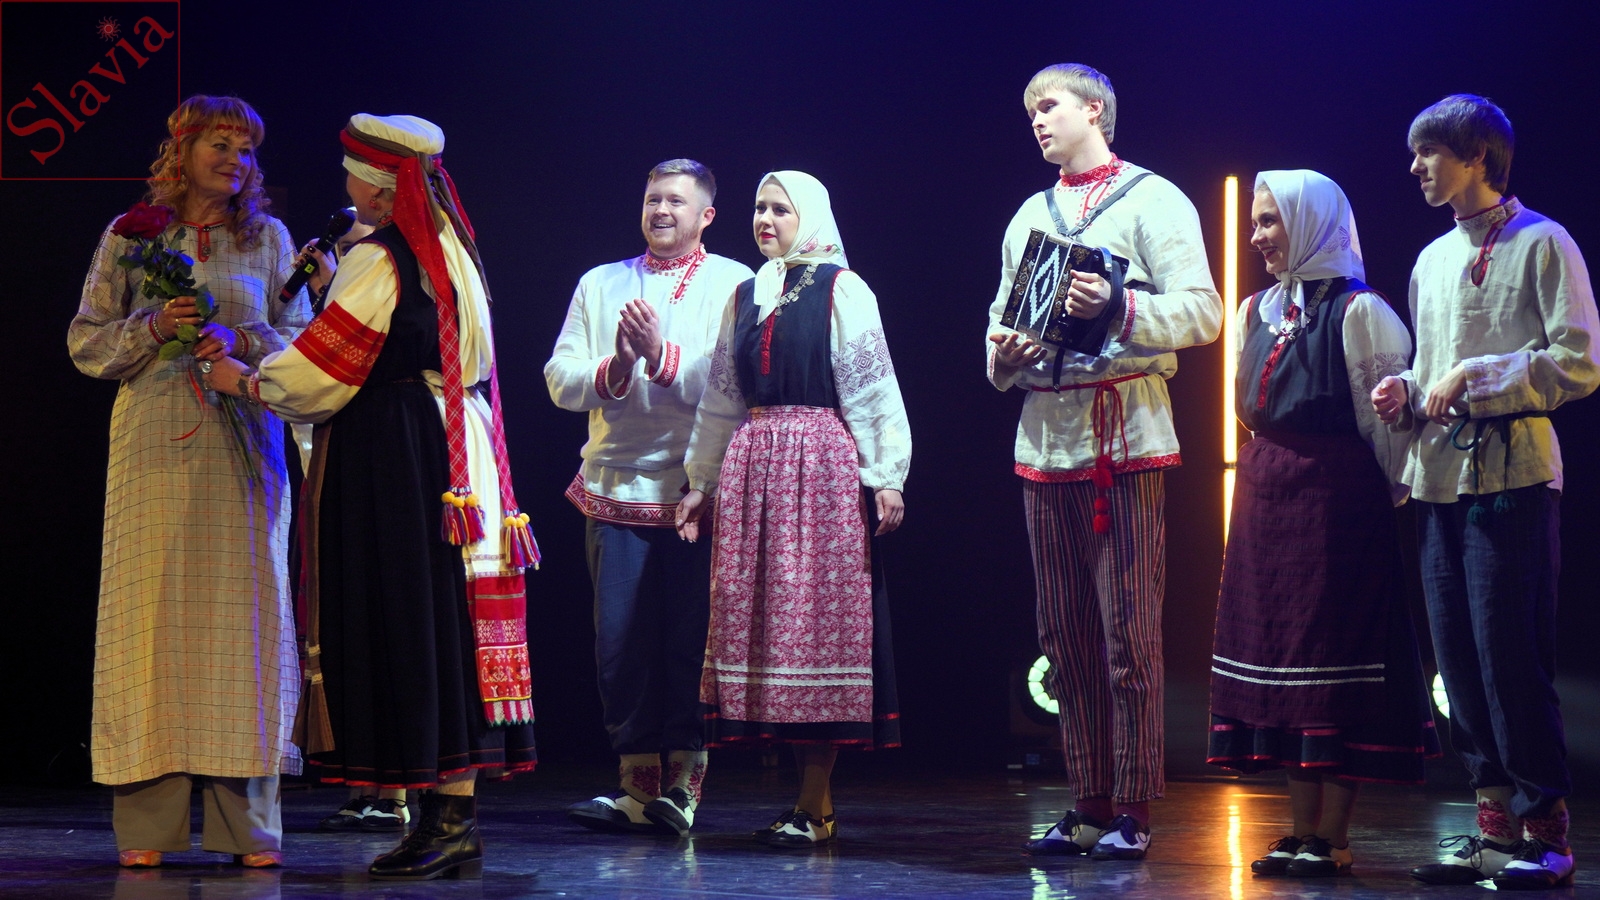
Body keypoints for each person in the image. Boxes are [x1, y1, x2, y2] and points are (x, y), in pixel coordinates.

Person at [205, 113, 540, 881]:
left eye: (353, 173)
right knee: (444, 623)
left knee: (411, 619)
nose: (346, 184)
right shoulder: (451, 247)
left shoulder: (381, 256)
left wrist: (248, 381)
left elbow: (322, 372)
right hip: (454, 440)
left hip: (400, 450)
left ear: (379, 187)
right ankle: (450, 820)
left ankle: (444, 823)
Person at [67, 95, 309, 869]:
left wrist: (241, 336)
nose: (235, 159)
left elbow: (308, 341)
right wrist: (154, 327)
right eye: (220, 143)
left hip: (244, 444)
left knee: (248, 624)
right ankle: (149, 824)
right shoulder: (133, 235)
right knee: (149, 622)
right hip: (153, 444)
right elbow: (85, 342)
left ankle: (250, 827)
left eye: (246, 148)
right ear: (182, 149)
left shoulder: (268, 239)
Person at [990, 64, 1220, 861]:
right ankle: (1086, 800)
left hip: (1125, 437)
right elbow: (1000, 320)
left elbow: (1203, 311)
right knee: (1063, 633)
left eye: (1048, 104)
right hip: (1045, 438)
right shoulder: (1030, 215)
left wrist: (1120, 305)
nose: (1036, 119)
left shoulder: (1155, 199)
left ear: (1095, 110)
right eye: (1029, 109)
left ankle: (1133, 807)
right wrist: (1005, 354)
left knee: (1127, 630)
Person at [1372, 94, 1599, 890]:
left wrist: (1477, 376)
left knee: (1511, 657)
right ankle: (1494, 828)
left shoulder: (1545, 242)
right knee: (1459, 662)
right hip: (1438, 479)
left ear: (1476, 156)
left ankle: (1547, 835)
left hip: (1513, 478)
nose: (1415, 167)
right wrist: (1407, 389)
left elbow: (1579, 361)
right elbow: (1432, 366)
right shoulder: (1432, 259)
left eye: (1428, 152)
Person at [1207, 170, 1439, 877]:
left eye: (1269, 221)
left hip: (1336, 502)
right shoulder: (1254, 309)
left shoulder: (1360, 310)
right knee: (1283, 662)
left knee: (1331, 663)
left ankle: (1332, 836)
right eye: (1255, 222)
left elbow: (1386, 425)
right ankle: (1299, 830)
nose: (1256, 237)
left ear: (1310, 223)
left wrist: (1385, 500)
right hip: (1266, 497)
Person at [675, 170, 910, 847]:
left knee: (815, 628)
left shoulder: (843, 288)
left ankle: (814, 803)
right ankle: (810, 807)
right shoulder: (746, 295)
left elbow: (871, 384)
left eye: (780, 209)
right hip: (754, 464)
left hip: (821, 468)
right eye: (759, 207)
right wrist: (702, 481)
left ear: (808, 217)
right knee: (766, 629)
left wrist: (886, 475)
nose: (766, 219)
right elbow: (722, 395)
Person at [546, 160, 752, 836]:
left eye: (675, 201)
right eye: (652, 198)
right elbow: (559, 378)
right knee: (621, 647)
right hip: (615, 485)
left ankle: (684, 790)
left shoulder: (735, 282)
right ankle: (636, 789)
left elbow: (733, 382)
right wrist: (619, 364)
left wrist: (661, 354)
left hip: (696, 489)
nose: (661, 210)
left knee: (691, 646)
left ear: (706, 215)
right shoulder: (601, 282)